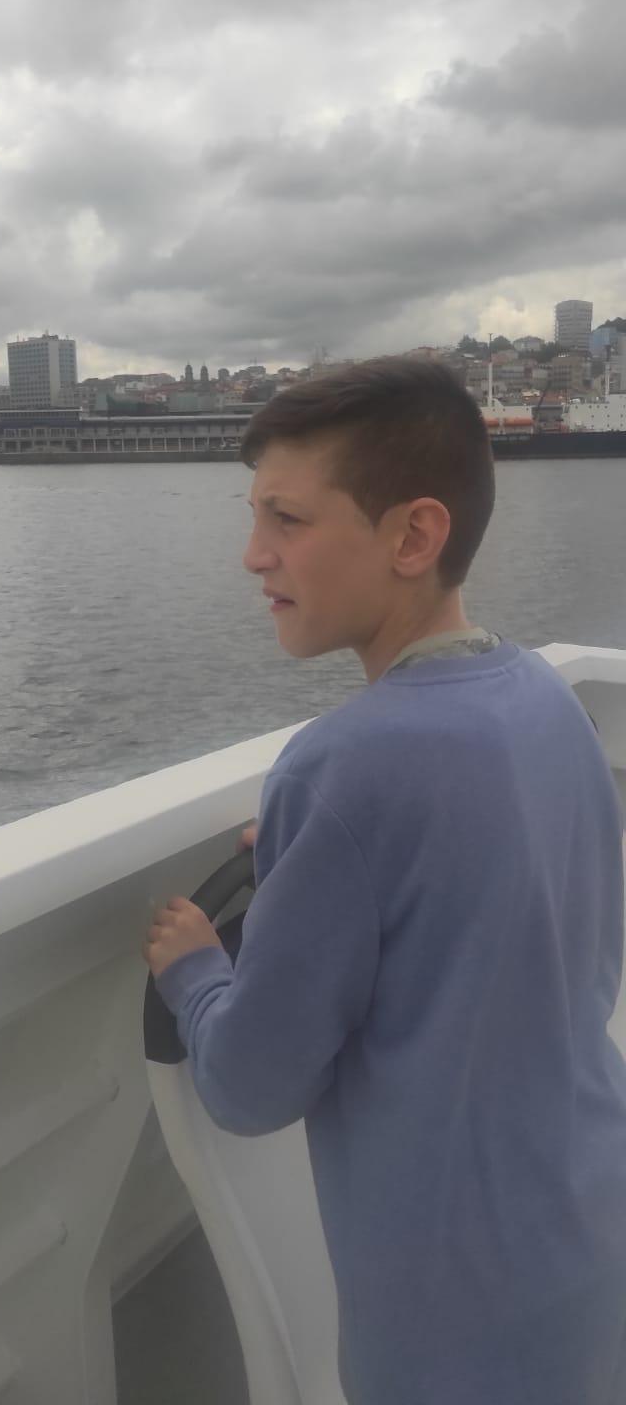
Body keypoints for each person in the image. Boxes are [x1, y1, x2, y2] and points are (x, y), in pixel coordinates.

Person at [143, 357, 626, 1405]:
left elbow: (248, 1087)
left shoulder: (339, 767)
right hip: (592, 1244)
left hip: (454, 1327)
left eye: (286, 519)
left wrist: (196, 972)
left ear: (413, 537)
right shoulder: (547, 703)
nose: (253, 554)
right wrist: (318, 854)